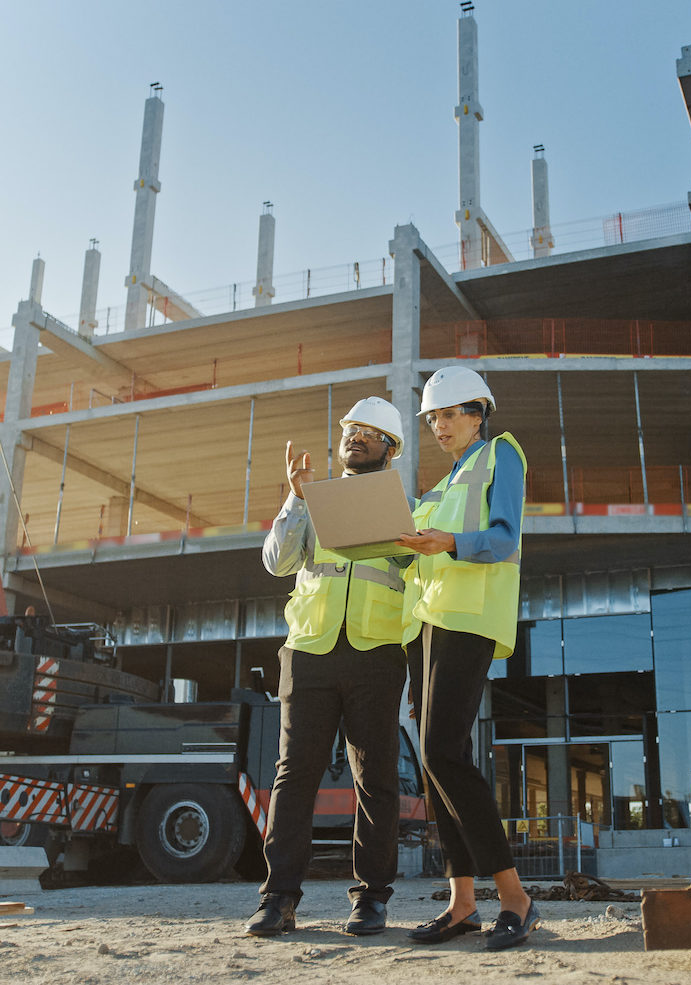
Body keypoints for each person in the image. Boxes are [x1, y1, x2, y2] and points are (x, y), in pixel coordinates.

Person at [244, 396, 414, 938]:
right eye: (350, 429)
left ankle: (371, 899)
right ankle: (278, 900)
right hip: (310, 651)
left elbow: (418, 574)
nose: (355, 437)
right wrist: (295, 499)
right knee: (294, 777)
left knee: (376, 780)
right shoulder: (309, 502)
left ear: (390, 449)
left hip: (376, 654)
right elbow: (277, 563)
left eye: (369, 432)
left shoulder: (405, 509)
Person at [395, 366, 541, 952]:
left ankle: (515, 898)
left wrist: (449, 541)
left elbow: (504, 538)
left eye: (449, 415)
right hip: (427, 629)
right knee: (435, 764)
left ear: (478, 413)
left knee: (440, 752)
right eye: (432, 419)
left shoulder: (500, 455)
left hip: (469, 619)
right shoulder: (439, 486)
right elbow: (424, 562)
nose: (439, 427)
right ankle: (462, 904)